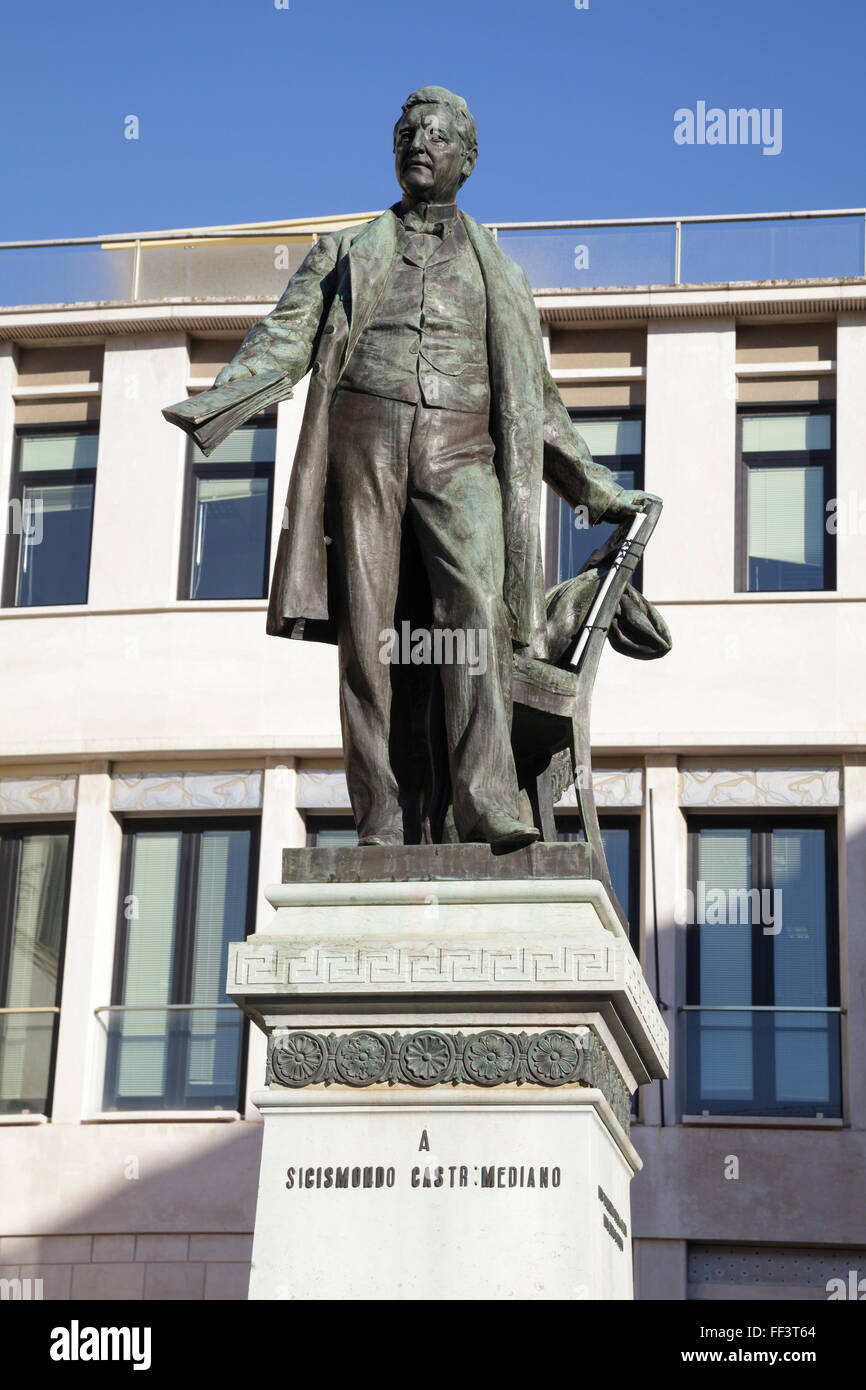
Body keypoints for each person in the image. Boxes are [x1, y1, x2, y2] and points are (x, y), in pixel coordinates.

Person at [215, 86, 657, 849]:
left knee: (478, 609)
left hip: (462, 449)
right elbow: (284, 338)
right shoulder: (347, 250)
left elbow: (540, 408)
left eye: (438, 134)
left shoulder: (501, 275)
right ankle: (379, 814)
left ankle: (485, 797)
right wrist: (222, 399)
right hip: (363, 436)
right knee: (369, 631)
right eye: (408, 132)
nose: (420, 142)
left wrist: (600, 489)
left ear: (468, 159)